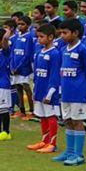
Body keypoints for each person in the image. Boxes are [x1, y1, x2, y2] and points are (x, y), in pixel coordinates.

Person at [52, 19, 86, 165]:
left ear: (75, 33)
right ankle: (69, 151)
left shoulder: (83, 49)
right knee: (68, 121)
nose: (62, 35)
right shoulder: (63, 50)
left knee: (77, 121)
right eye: (61, 33)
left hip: (79, 92)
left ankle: (79, 154)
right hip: (66, 92)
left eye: (65, 33)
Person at [26, 23, 61, 153]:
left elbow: (55, 75)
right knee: (42, 116)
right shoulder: (39, 52)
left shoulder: (55, 53)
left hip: (49, 92)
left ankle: (53, 143)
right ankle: (44, 141)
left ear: (51, 37)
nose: (39, 39)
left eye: (41, 36)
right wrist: (35, 90)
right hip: (39, 89)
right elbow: (36, 74)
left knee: (51, 116)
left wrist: (50, 93)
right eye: (38, 36)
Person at [10, 15, 34, 120]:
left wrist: (19, 66)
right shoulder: (16, 37)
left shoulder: (29, 37)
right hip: (15, 67)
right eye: (19, 24)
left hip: (24, 68)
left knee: (26, 87)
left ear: (28, 25)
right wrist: (12, 65)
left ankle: (32, 110)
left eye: (22, 24)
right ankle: (22, 110)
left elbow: (28, 54)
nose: (20, 26)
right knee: (18, 87)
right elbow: (12, 52)